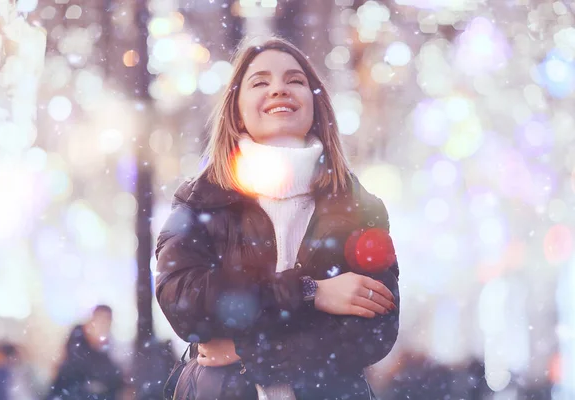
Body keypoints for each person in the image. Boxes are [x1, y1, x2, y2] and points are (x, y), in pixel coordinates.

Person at [155, 36, 400, 400]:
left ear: (316, 105)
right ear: (236, 110)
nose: (279, 90)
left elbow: (372, 333)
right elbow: (186, 305)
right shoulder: (201, 200)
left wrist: (246, 352)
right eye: (260, 82)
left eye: (295, 80)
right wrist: (310, 293)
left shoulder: (359, 206)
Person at [45, 305, 124, 400]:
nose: (103, 327)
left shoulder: (104, 352)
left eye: (106, 323)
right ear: (90, 323)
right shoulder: (77, 348)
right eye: (100, 322)